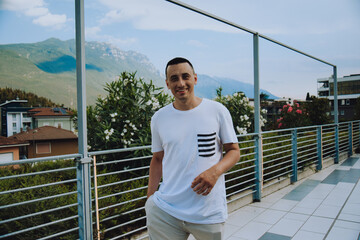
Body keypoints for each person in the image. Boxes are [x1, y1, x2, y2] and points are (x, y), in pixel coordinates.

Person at [145, 57, 240, 240]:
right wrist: (150, 201)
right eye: (174, 79)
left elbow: (234, 151)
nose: (180, 83)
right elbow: (157, 159)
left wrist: (215, 171)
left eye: (185, 76)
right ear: (167, 84)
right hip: (166, 210)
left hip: (208, 212)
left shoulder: (217, 111)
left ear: (195, 79)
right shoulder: (159, 118)